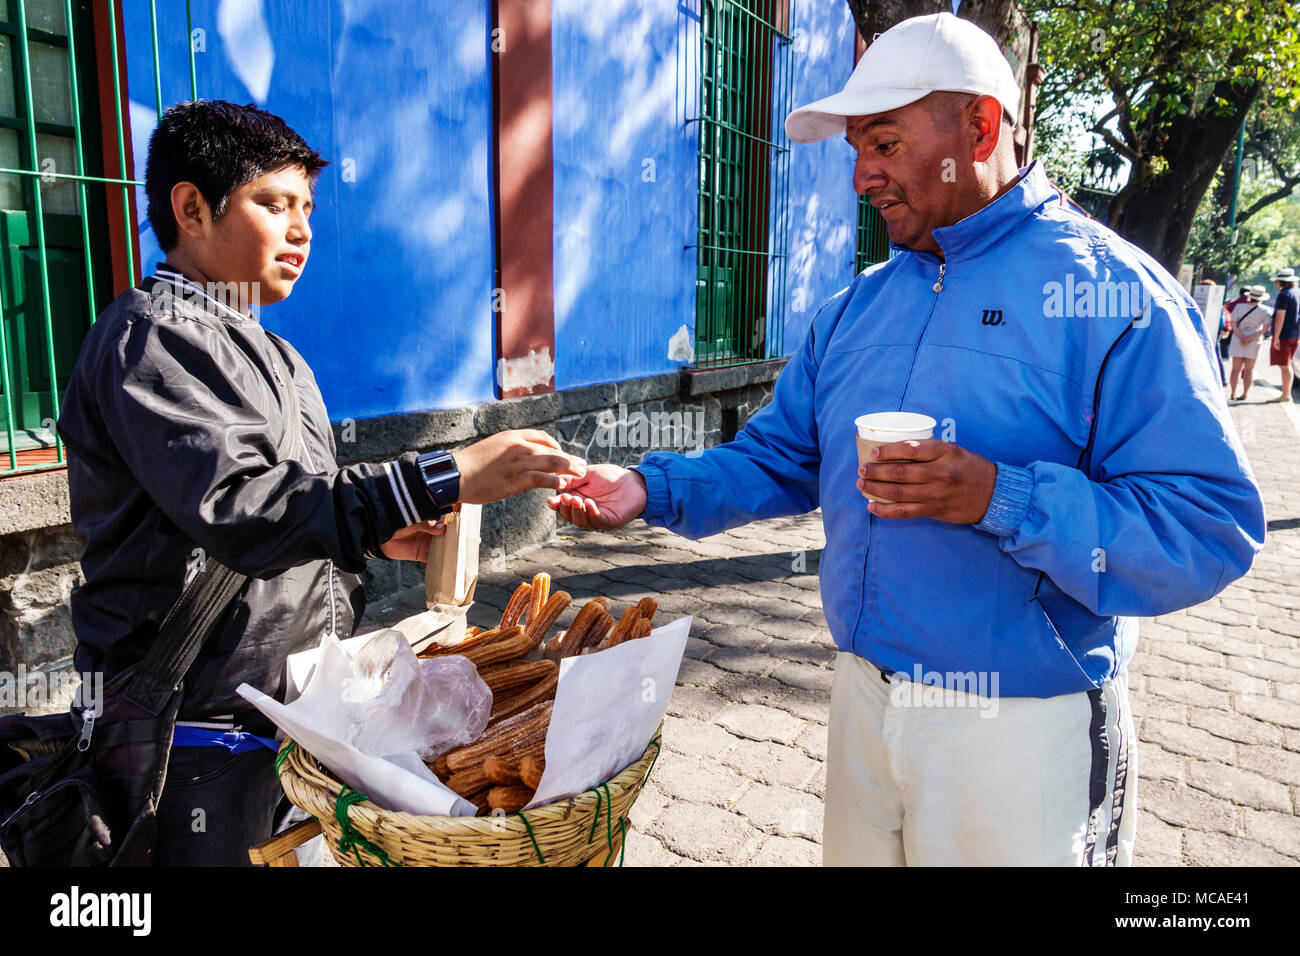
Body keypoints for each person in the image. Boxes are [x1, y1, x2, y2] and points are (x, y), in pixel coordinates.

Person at [547, 13, 1265, 866]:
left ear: (981, 127)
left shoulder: (1115, 298)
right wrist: (648, 489)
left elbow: (1208, 525)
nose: (861, 177)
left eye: (884, 144)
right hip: (863, 701)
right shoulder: (856, 308)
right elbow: (782, 458)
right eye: (857, 150)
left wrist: (1003, 498)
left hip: (1022, 731)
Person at [56, 100, 587, 865]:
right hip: (190, 733)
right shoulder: (152, 339)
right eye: (274, 204)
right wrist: (448, 474)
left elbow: (297, 509)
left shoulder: (277, 355)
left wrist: (377, 534)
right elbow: (246, 511)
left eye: (306, 208)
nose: (302, 229)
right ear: (192, 208)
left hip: (290, 718)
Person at [1227, 286, 1271, 401]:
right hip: (1254, 340)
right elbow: (1265, 329)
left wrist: (1241, 336)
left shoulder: (1239, 307)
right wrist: (1250, 338)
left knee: (1235, 369)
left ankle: (1233, 393)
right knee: (1249, 370)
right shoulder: (1265, 310)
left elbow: (1233, 323)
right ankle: (1244, 393)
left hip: (1238, 338)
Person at [1269, 267, 1299, 401]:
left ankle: (1286, 395)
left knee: (1285, 365)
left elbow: (1280, 316)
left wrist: (1276, 337)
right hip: (1295, 333)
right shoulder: (1297, 292)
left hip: (1284, 335)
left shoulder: (1284, 295)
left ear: (1280, 281)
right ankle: (1286, 394)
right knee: (1288, 364)